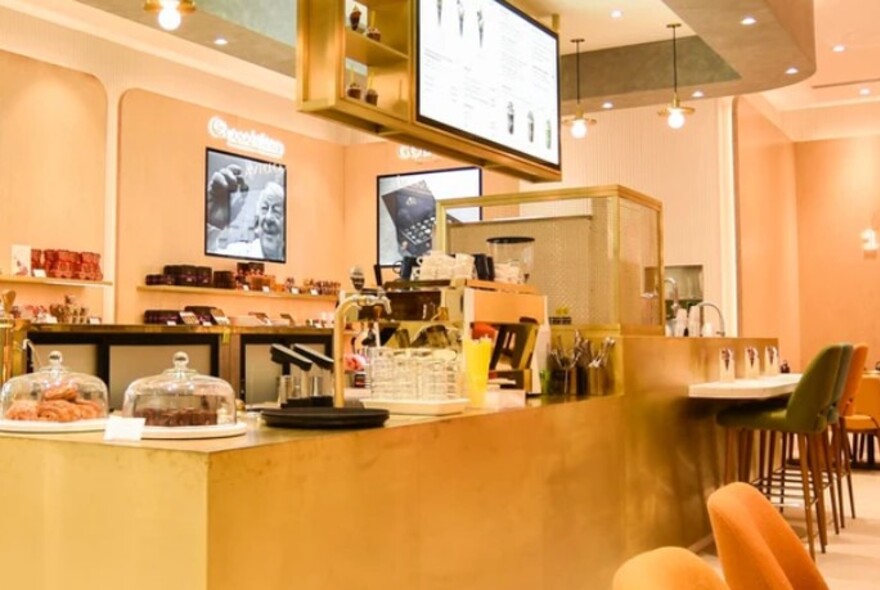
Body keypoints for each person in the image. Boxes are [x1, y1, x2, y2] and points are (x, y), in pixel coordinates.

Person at [206, 165, 285, 261]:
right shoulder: (238, 252)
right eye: (264, 208)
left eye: (276, 210)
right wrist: (213, 225)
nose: (268, 218)